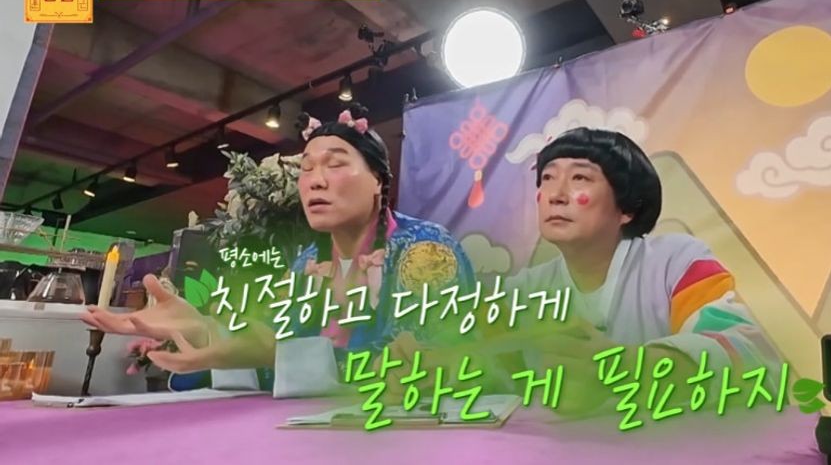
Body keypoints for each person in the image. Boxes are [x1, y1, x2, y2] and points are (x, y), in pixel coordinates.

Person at [81, 105, 475, 382]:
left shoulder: (424, 250)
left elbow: (417, 364)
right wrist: (203, 329)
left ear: (378, 180)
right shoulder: (307, 262)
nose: (315, 180)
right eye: (306, 168)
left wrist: (281, 358)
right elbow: (271, 339)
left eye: (336, 164)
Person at [499, 127, 782, 412]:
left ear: (627, 208)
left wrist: (626, 367)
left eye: (580, 178)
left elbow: (751, 359)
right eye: (547, 178)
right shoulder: (523, 291)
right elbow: (491, 375)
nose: (555, 195)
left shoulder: (678, 262)